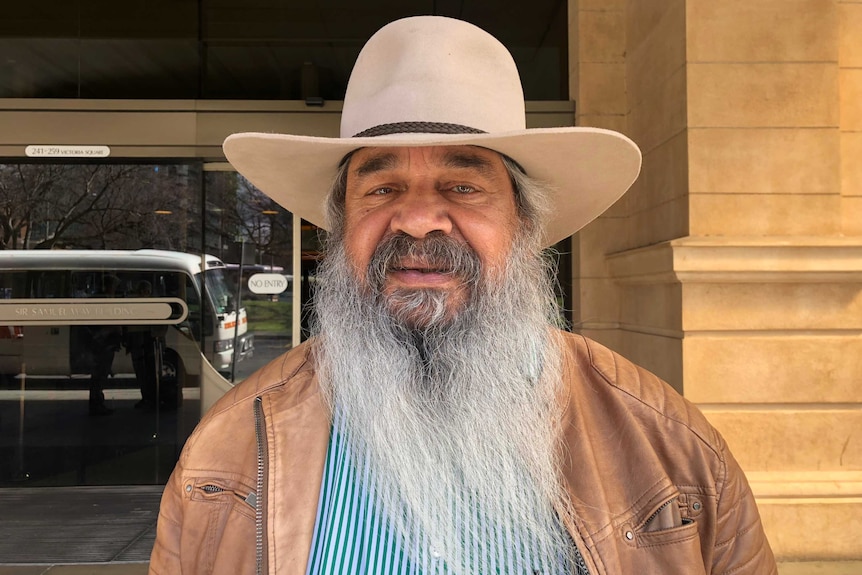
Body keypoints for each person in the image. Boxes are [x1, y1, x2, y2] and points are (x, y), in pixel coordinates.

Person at [150, 16, 777, 575]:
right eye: (382, 188)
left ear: (524, 227)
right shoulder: (227, 451)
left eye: (464, 186)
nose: (419, 220)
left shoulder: (666, 441)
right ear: (342, 230)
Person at [84, 274, 123, 416]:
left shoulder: (107, 298)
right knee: (98, 375)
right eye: (114, 286)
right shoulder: (100, 299)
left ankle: (98, 402)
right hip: (102, 342)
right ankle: (96, 404)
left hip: (107, 342)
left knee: (102, 374)